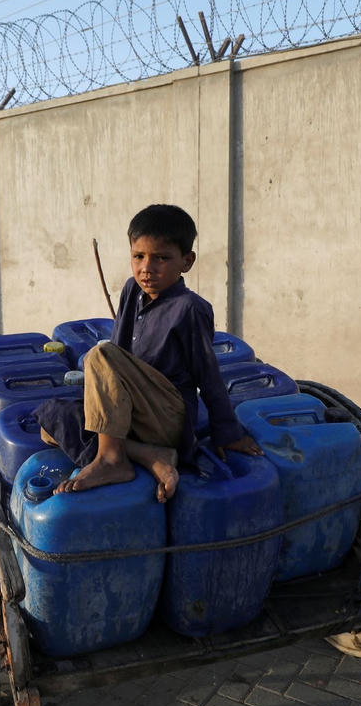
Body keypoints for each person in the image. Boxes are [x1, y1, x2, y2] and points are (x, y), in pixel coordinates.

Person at [35, 204, 261, 503]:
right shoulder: (132, 291)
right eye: (138, 256)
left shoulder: (190, 308)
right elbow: (119, 357)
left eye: (161, 258)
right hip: (134, 412)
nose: (147, 268)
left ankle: (112, 460)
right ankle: (147, 455)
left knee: (99, 356)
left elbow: (208, 374)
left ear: (186, 261)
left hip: (167, 414)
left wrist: (228, 433)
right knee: (50, 423)